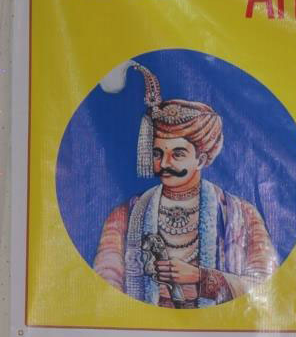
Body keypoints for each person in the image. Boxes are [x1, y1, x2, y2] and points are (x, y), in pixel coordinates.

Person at [92, 61, 278, 308]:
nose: (164, 164)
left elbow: (267, 288)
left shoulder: (242, 215)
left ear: (201, 159)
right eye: (157, 153)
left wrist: (203, 279)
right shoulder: (125, 216)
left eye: (177, 154)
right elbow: (104, 287)